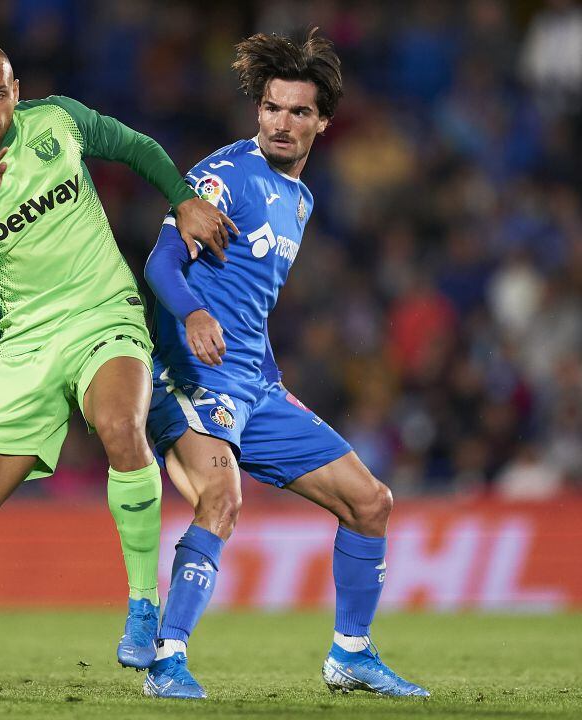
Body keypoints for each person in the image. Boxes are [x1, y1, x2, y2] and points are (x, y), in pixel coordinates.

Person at [0, 40, 233, 694]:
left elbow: (135, 147)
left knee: (124, 432)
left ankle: (142, 609)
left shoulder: (59, 120)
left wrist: (182, 198)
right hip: (25, 345)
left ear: (16, 90)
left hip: (105, 312)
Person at [140, 31, 430, 699]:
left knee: (370, 502)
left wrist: (265, 367)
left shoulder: (300, 200)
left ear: (322, 121)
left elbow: (250, 298)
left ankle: (351, 654)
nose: (282, 122)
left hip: (254, 386)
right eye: (273, 108)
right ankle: (167, 660)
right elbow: (162, 262)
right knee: (220, 496)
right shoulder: (225, 177)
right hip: (191, 376)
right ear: (258, 110)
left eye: (299, 112)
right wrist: (192, 314)